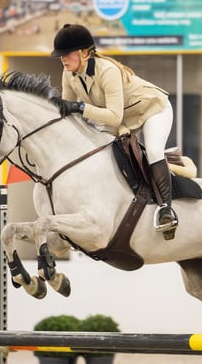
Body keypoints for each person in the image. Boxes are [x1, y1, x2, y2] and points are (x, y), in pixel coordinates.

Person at [50, 23, 178, 236]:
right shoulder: (68, 74)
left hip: (152, 109)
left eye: (67, 54)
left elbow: (113, 116)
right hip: (121, 120)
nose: (62, 59)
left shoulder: (107, 71)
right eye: (60, 55)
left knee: (154, 150)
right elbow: (68, 111)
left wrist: (81, 107)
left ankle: (166, 208)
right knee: (99, 153)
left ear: (84, 53)